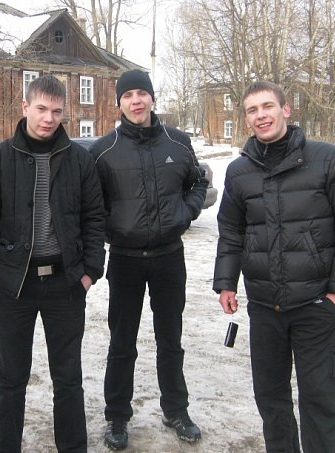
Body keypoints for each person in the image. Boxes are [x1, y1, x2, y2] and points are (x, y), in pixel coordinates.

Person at [213, 81, 335, 452]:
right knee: (271, 401)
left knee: (321, 402)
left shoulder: (327, 160)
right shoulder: (239, 172)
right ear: (246, 119)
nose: (261, 115)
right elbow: (232, 231)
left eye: (267, 106)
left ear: (286, 110)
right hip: (265, 308)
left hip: (316, 306)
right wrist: (226, 282)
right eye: (252, 110)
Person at [0, 75, 105, 452]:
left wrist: (90, 272)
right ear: (25, 107)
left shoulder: (79, 160)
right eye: (41, 109)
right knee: (11, 380)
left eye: (57, 112)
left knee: (68, 379)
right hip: (13, 286)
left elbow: (94, 218)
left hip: (66, 284)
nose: (48, 118)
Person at [89, 69, 209, 450]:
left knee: (170, 340)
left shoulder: (178, 142)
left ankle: (176, 410)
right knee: (122, 341)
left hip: (169, 258)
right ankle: (117, 416)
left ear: (152, 98)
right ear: (119, 103)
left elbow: (198, 182)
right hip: (125, 260)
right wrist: (111, 228)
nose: (136, 101)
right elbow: (90, 202)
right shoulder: (103, 150)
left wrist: (185, 213)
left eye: (142, 93)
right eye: (128, 95)